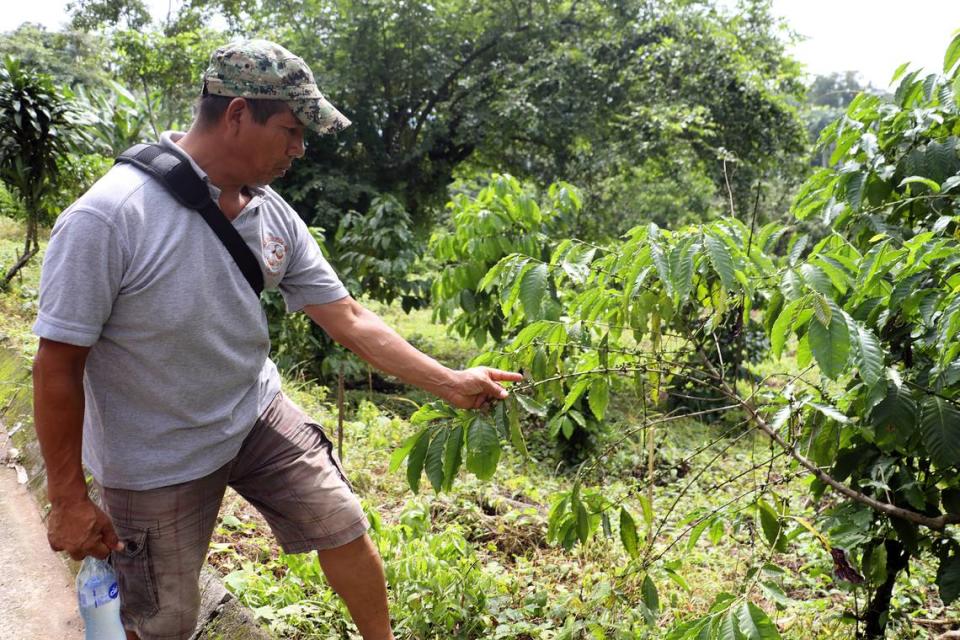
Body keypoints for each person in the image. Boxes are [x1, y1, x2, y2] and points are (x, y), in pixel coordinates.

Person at [31, 39, 521, 640]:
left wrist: (451, 383)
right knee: (161, 622)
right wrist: (69, 497)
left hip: (253, 412)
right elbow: (57, 362)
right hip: (156, 457)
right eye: (290, 130)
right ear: (237, 113)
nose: (300, 149)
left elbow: (348, 317)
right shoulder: (109, 217)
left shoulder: (273, 213)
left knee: (342, 523)